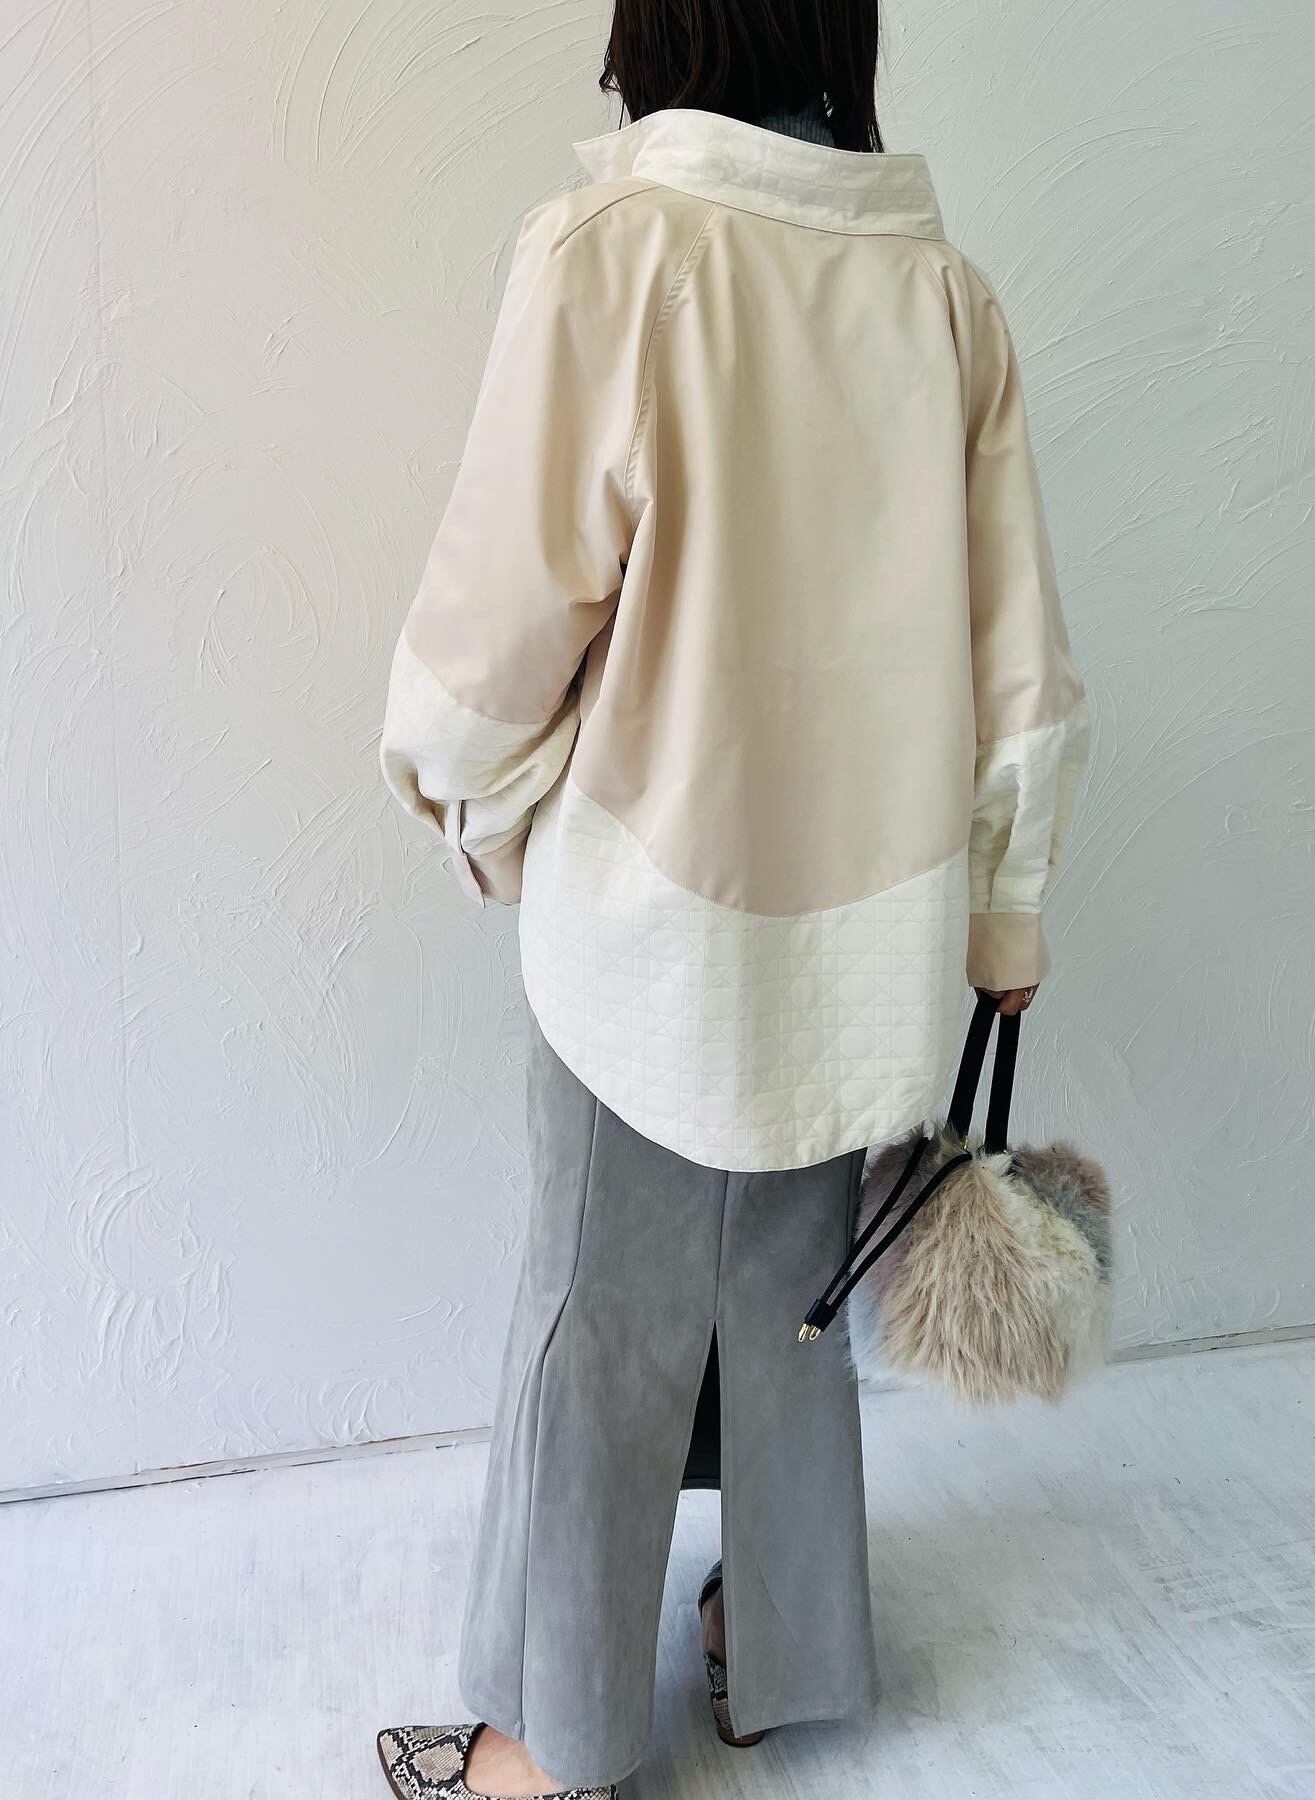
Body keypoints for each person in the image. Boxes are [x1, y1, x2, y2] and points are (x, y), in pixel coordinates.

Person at [375, 0, 1090, 1792]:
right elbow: (1018, 657)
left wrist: (458, 790)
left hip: (653, 920)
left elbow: (504, 614)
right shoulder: (942, 298)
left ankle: (547, 1740)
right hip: (877, 937)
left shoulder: (616, 254)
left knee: (598, 1311)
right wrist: (1004, 914)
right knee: (790, 1312)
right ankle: (777, 1656)